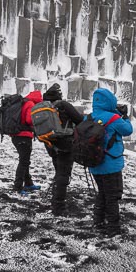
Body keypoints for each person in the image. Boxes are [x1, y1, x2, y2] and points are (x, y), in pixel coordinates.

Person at [87, 88, 134, 236]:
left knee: (102, 193)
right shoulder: (114, 119)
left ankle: (98, 222)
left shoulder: (88, 118)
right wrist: (124, 116)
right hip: (111, 164)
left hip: (94, 163)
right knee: (112, 196)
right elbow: (128, 130)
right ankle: (113, 228)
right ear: (110, 102)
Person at [40, 83, 85, 216]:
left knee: (59, 171)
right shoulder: (63, 105)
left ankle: (56, 198)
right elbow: (79, 120)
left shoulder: (43, 107)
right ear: (58, 95)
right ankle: (58, 206)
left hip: (50, 143)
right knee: (63, 174)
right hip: (65, 144)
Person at [13, 89, 44, 195]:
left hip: (16, 135)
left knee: (24, 160)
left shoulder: (23, 102)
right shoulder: (30, 104)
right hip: (24, 136)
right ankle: (18, 187)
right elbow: (29, 120)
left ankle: (28, 183)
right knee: (24, 161)